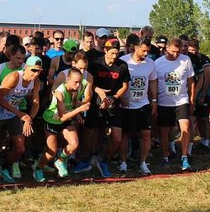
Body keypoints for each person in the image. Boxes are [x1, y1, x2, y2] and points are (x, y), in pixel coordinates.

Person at [0, 56, 41, 183]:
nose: (36, 74)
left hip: (13, 114)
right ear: (26, 68)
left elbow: (36, 103)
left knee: (20, 147)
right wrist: (19, 114)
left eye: (39, 71)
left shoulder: (36, 82)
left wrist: (28, 119)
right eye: (33, 70)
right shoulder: (14, 77)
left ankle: (9, 164)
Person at [34, 69, 90, 181]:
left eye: (80, 82)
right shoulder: (60, 92)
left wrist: (77, 112)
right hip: (53, 120)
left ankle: (60, 161)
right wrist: (79, 109)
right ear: (67, 80)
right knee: (51, 152)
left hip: (66, 118)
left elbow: (73, 102)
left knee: (74, 144)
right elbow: (62, 117)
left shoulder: (78, 87)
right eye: (75, 82)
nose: (78, 85)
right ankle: (38, 168)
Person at [84, 38, 129, 177]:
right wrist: (99, 92)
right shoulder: (95, 64)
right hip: (96, 101)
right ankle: (89, 157)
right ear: (105, 50)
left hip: (113, 102)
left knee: (117, 137)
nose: (115, 56)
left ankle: (104, 159)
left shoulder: (122, 65)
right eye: (112, 53)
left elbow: (125, 86)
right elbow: (88, 82)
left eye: (117, 53)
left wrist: (114, 97)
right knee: (91, 131)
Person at [154, 37, 195, 171]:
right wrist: (154, 100)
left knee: (185, 127)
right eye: (172, 51)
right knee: (164, 131)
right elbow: (153, 82)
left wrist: (192, 98)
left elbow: (191, 80)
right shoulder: (158, 63)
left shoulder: (186, 60)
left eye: (178, 52)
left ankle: (184, 157)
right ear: (167, 49)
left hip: (181, 100)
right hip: (164, 101)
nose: (175, 54)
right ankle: (165, 157)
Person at [119, 41, 157, 175]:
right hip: (126, 105)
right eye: (144, 51)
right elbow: (117, 81)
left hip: (143, 104)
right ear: (135, 48)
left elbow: (153, 81)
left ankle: (143, 162)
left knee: (146, 134)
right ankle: (123, 162)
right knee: (125, 134)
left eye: (148, 51)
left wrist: (153, 100)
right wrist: (121, 98)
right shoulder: (123, 61)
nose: (146, 54)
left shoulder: (150, 63)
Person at [187, 39, 210, 150]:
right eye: (190, 50)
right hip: (195, 93)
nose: (192, 52)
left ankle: (206, 142)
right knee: (196, 118)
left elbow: (206, 78)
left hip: (205, 93)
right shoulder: (189, 59)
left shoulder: (204, 59)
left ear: (198, 49)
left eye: (194, 50)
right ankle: (201, 139)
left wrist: (203, 94)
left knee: (204, 118)